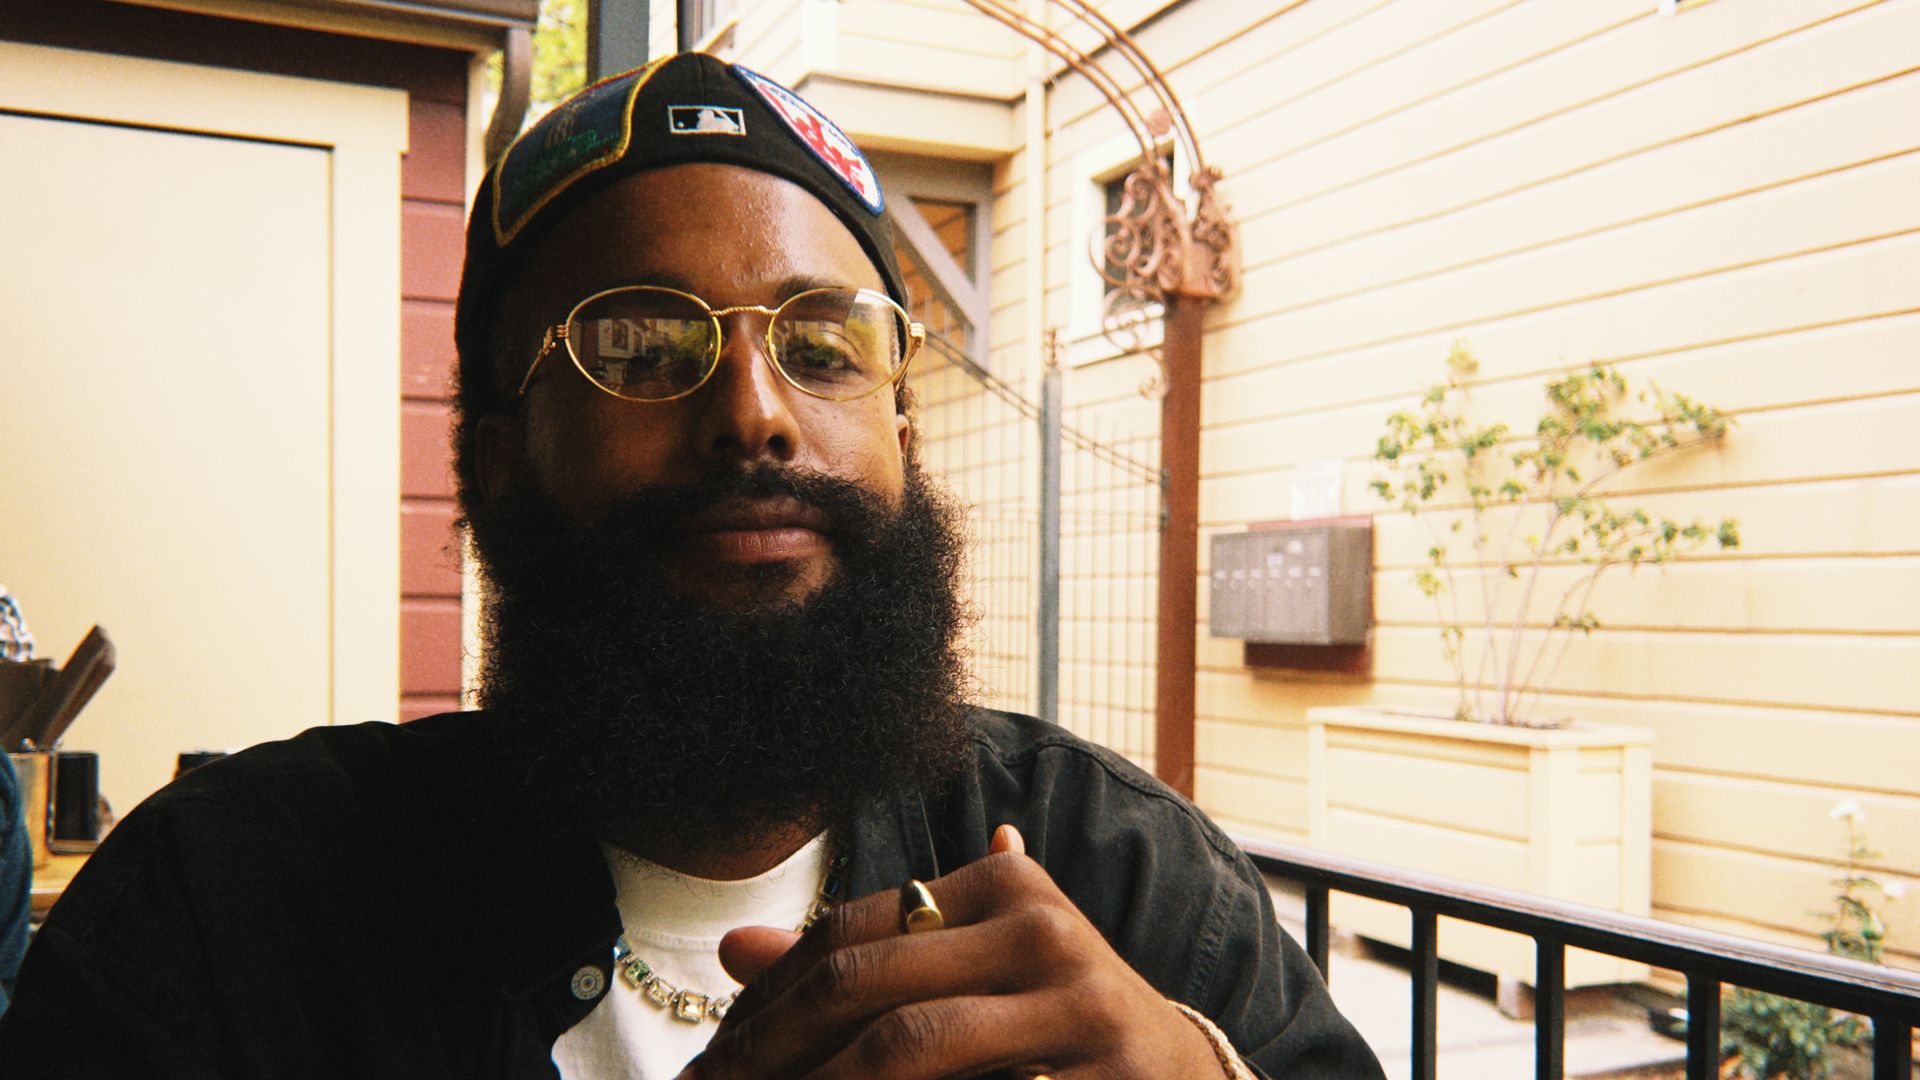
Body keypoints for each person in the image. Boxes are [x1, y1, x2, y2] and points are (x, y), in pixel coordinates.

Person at [0, 53, 1383, 1079]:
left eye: (825, 345)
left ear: (902, 426)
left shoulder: (1118, 876)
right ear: (489, 453)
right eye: (640, 346)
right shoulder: (229, 915)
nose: (756, 410)